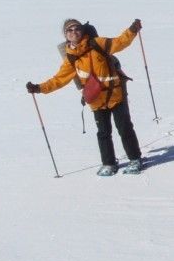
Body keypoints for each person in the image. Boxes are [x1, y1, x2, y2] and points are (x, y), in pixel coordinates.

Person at [26, 18, 144, 176]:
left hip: (115, 94)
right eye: (69, 30)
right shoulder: (71, 57)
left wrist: (132, 30)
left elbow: (119, 43)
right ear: (66, 35)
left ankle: (135, 159)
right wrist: (39, 88)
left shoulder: (97, 43)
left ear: (82, 31)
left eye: (76, 29)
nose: (74, 32)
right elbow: (59, 79)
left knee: (124, 128)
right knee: (103, 132)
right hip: (96, 100)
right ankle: (109, 163)